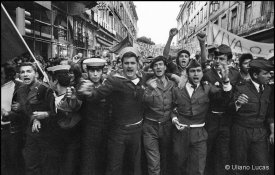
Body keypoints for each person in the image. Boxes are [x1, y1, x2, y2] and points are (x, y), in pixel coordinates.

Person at [77, 47, 145, 175]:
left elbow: (164, 70)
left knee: (134, 166)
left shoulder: (143, 80)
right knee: (114, 166)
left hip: (136, 132)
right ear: (121, 65)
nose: (129, 66)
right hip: (118, 132)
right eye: (126, 63)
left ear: (138, 65)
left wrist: (174, 76)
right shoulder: (114, 81)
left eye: (132, 63)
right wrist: (88, 92)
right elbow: (97, 95)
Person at [171, 59, 232, 175]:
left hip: (199, 134)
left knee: (198, 168)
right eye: (192, 71)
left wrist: (225, 80)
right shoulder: (177, 90)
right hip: (181, 133)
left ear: (202, 74)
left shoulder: (207, 88)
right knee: (179, 166)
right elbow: (171, 109)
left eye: (199, 71)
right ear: (187, 74)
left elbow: (224, 98)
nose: (196, 74)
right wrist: (174, 120)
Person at [203, 44, 241, 175]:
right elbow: (212, 96)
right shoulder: (207, 74)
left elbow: (235, 96)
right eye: (216, 58)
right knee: (207, 151)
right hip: (211, 119)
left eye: (221, 59)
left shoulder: (235, 74)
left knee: (223, 153)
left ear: (229, 61)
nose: (217, 61)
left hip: (227, 119)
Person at [230, 58, 274, 175]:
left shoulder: (268, 89)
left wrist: (272, 131)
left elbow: (269, 113)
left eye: (270, 73)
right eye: (265, 73)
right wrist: (237, 103)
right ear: (255, 75)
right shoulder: (240, 87)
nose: (269, 76)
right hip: (241, 132)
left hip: (260, 132)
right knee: (239, 167)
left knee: (262, 167)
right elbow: (228, 110)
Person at [16, 62, 59, 175]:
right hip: (31, 134)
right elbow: (27, 111)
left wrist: (45, 114)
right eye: (22, 72)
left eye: (29, 71)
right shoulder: (20, 91)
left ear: (35, 74)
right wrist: (33, 118)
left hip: (47, 134)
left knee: (47, 165)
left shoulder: (45, 89)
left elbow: (56, 113)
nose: (25, 74)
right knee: (30, 164)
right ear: (19, 75)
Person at [46, 64, 82, 175]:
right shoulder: (51, 95)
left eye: (50, 80)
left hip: (71, 143)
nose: (48, 83)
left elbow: (73, 105)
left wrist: (71, 98)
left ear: (55, 81)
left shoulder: (73, 95)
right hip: (56, 143)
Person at [143, 56, 175, 175]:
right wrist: (149, 90)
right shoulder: (148, 83)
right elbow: (143, 101)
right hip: (150, 128)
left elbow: (175, 105)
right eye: (155, 65)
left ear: (165, 67)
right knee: (154, 162)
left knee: (166, 159)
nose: (158, 67)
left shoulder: (172, 84)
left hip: (167, 126)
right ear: (152, 69)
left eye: (160, 64)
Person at [79, 58, 111, 175]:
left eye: (98, 70)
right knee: (89, 164)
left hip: (107, 131)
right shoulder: (82, 85)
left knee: (103, 163)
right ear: (87, 72)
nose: (96, 74)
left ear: (103, 71)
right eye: (92, 71)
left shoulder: (108, 86)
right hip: (89, 132)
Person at [1, 62, 26, 175]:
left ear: (9, 74)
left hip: (12, 131)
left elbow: (26, 113)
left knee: (14, 162)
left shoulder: (20, 87)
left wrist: (8, 114)